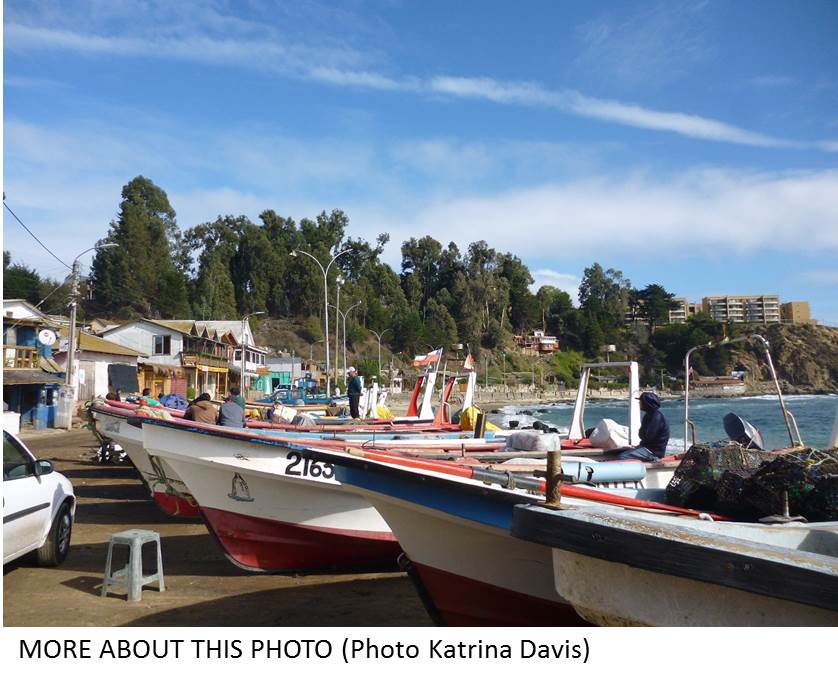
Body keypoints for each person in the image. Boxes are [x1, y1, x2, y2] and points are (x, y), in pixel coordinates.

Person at [618, 391, 670, 461]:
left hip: (653, 452)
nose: (639, 403)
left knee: (622, 456)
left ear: (647, 403)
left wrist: (642, 432)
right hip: (646, 448)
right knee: (616, 451)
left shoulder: (656, 417)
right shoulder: (650, 415)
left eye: (641, 401)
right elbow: (643, 435)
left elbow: (646, 436)